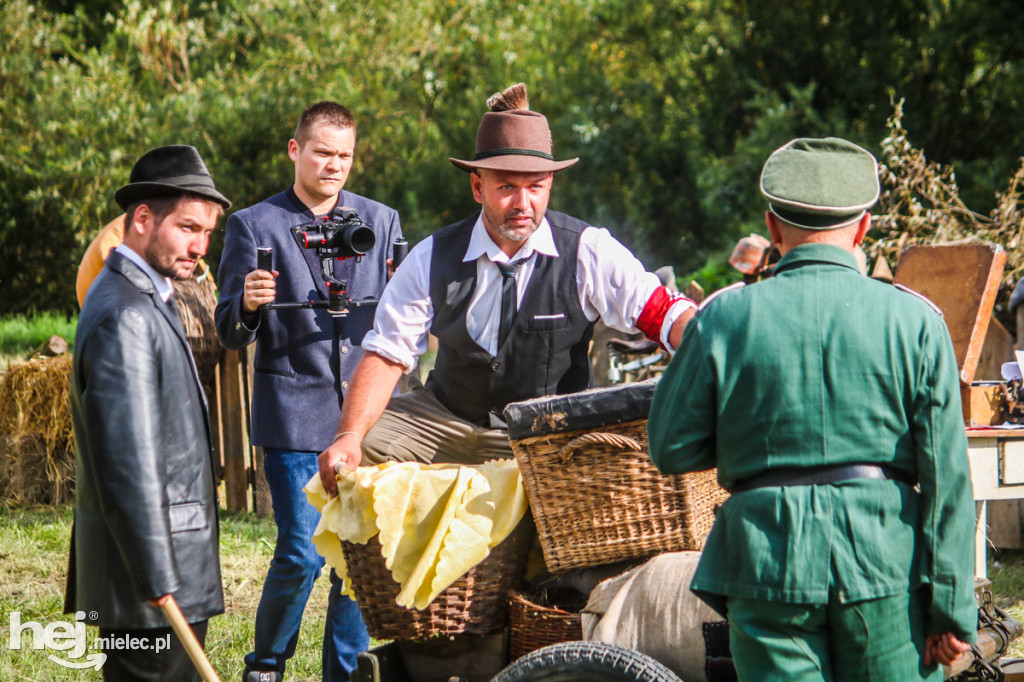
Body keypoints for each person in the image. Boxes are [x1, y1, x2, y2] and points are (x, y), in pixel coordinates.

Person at [647, 137, 977, 681]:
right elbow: (947, 477)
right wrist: (951, 608)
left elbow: (669, 445)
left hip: (765, 561)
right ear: (865, 228)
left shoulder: (724, 317)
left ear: (772, 230)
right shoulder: (916, 321)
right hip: (884, 564)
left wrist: (751, 440)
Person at [317, 82, 696, 493]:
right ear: (478, 187)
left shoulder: (588, 250)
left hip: (549, 429)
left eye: (535, 187)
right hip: (445, 420)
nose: (522, 203)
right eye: (506, 187)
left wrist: (715, 349)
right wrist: (349, 437)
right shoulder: (431, 256)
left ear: (550, 183)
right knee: (363, 456)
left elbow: (661, 310)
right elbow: (387, 352)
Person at [215, 101, 401, 681]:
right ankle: (266, 665)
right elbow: (227, 330)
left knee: (357, 559)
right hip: (293, 411)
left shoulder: (384, 219)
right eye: (322, 152)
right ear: (295, 150)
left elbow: (404, 317)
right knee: (301, 549)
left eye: (344, 155)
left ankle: (345, 675)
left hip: (367, 416)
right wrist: (246, 304)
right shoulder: (254, 223)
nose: (334, 165)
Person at [66, 144, 230, 681]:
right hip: (156, 584)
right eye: (187, 228)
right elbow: (127, 462)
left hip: (164, 570)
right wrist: (157, 577)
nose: (199, 247)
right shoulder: (125, 314)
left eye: (206, 233)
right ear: (142, 219)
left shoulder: (143, 296)